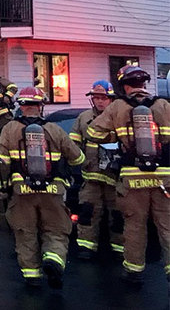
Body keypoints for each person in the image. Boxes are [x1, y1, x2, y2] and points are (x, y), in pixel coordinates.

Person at [86, 65, 170, 283]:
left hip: (133, 178)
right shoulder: (163, 105)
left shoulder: (118, 107)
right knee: (167, 226)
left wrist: (116, 136)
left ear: (124, 86)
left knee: (135, 226)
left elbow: (93, 132)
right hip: (164, 177)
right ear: (144, 84)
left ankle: (133, 272)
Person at [0, 87, 84, 288]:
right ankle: (53, 259)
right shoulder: (54, 130)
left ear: (22, 106)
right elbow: (77, 157)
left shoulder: (9, 130)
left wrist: (2, 187)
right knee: (56, 231)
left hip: (21, 192)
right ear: (40, 106)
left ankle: (32, 276)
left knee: (25, 234)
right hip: (52, 192)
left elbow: (1, 163)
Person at [69, 80, 124, 260]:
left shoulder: (120, 117)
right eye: (96, 98)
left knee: (117, 214)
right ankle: (86, 247)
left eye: (104, 98)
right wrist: (78, 163)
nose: (100, 101)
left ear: (111, 99)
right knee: (87, 211)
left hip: (115, 177)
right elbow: (73, 144)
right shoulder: (83, 118)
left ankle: (119, 248)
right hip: (90, 175)